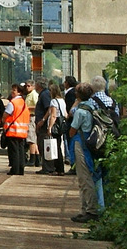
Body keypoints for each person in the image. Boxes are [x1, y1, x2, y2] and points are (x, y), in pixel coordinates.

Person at [68, 82, 103, 222]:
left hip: (81, 144)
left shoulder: (81, 111)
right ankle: (86, 209)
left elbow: (72, 131)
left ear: (78, 95)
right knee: (90, 176)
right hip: (92, 143)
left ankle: (90, 210)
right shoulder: (94, 106)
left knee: (84, 178)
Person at [2, 82, 30, 175]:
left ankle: (15, 169)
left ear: (19, 92)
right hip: (22, 132)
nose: (12, 91)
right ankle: (21, 169)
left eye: (14, 90)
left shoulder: (13, 103)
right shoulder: (24, 103)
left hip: (13, 131)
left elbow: (6, 115)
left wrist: (3, 122)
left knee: (14, 151)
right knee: (21, 151)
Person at [40, 84, 67, 175]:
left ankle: (59, 168)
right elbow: (65, 114)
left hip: (55, 126)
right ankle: (60, 168)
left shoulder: (54, 101)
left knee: (56, 147)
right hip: (61, 125)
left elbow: (53, 115)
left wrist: (50, 127)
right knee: (58, 145)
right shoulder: (62, 101)